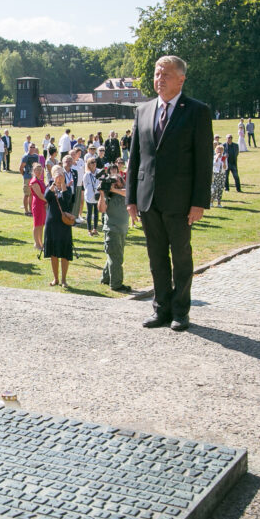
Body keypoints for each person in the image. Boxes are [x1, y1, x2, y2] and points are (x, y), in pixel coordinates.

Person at [127, 55, 213, 331]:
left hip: (180, 200)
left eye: (165, 74)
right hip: (148, 198)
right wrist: (131, 198)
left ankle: (180, 311)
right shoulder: (143, 111)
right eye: (156, 74)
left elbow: (204, 160)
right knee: (156, 258)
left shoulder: (197, 111)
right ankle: (160, 309)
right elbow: (135, 158)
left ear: (181, 79)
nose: (159, 79)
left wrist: (199, 201)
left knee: (181, 257)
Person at [100, 160, 130, 292]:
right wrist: (102, 192)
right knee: (115, 256)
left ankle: (106, 278)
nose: (118, 181)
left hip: (122, 229)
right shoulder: (108, 196)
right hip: (112, 230)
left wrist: (113, 189)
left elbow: (128, 192)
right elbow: (101, 209)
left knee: (114, 255)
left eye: (118, 180)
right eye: (115, 180)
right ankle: (116, 284)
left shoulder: (123, 192)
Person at [43, 166, 74, 287]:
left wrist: (63, 185)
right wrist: (54, 184)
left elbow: (67, 200)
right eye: (56, 174)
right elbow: (46, 197)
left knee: (64, 253)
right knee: (53, 253)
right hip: (51, 224)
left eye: (61, 174)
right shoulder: (51, 188)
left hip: (64, 224)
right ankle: (55, 278)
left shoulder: (68, 189)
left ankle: (64, 280)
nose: (59, 177)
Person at [29, 163, 47, 250]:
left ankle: (41, 243)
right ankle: (37, 243)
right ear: (34, 171)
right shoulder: (34, 181)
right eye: (37, 170)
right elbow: (39, 195)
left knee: (41, 224)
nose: (39, 172)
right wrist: (48, 201)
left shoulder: (41, 180)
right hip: (37, 204)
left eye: (41, 170)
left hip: (42, 204)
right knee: (37, 225)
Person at [83, 157, 101, 236]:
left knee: (96, 213)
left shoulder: (99, 172)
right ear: (89, 165)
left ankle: (95, 229)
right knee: (89, 213)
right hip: (89, 195)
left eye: (95, 162)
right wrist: (91, 189)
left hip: (97, 195)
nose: (94, 164)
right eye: (92, 162)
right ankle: (89, 230)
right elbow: (85, 185)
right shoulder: (87, 174)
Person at [20, 144, 39, 214]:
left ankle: (31, 210)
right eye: (31, 147)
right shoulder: (25, 156)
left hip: (34, 178)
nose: (32, 148)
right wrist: (25, 175)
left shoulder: (36, 156)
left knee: (32, 194)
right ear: (28, 148)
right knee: (26, 194)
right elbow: (21, 168)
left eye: (34, 147)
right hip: (27, 178)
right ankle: (26, 210)